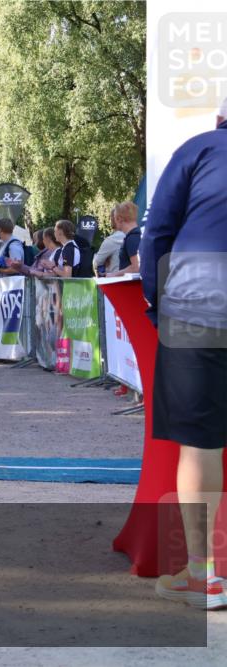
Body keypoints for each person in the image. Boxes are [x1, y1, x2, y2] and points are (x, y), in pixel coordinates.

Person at [146, 99, 227, 611]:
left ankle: (203, 577)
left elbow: (157, 232)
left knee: (199, 444)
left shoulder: (198, 149)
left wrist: (157, 301)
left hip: (200, 306)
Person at [108, 201, 141, 277]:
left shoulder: (132, 238)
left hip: (131, 287)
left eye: (115, 219)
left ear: (119, 219)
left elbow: (136, 267)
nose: (114, 222)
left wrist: (114, 275)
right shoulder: (137, 235)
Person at [94, 208, 127, 276]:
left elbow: (96, 263)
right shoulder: (134, 236)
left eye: (111, 217)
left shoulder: (111, 240)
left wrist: (105, 260)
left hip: (115, 282)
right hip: (135, 281)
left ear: (114, 219)